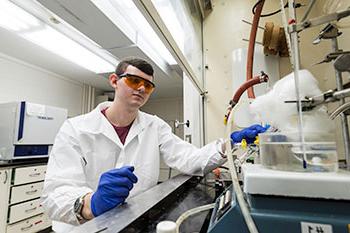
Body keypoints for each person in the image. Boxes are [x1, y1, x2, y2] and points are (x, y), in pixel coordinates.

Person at [41, 57, 266, 232]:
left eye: (148, 85)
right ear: (114, 81)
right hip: (83, 229)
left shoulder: (154, 126)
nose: (141, 88)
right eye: (134, 80)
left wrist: (230, 142)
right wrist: (91, 203)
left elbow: (189, 159)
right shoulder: (75, 129)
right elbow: (55, 194)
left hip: (132, 222)